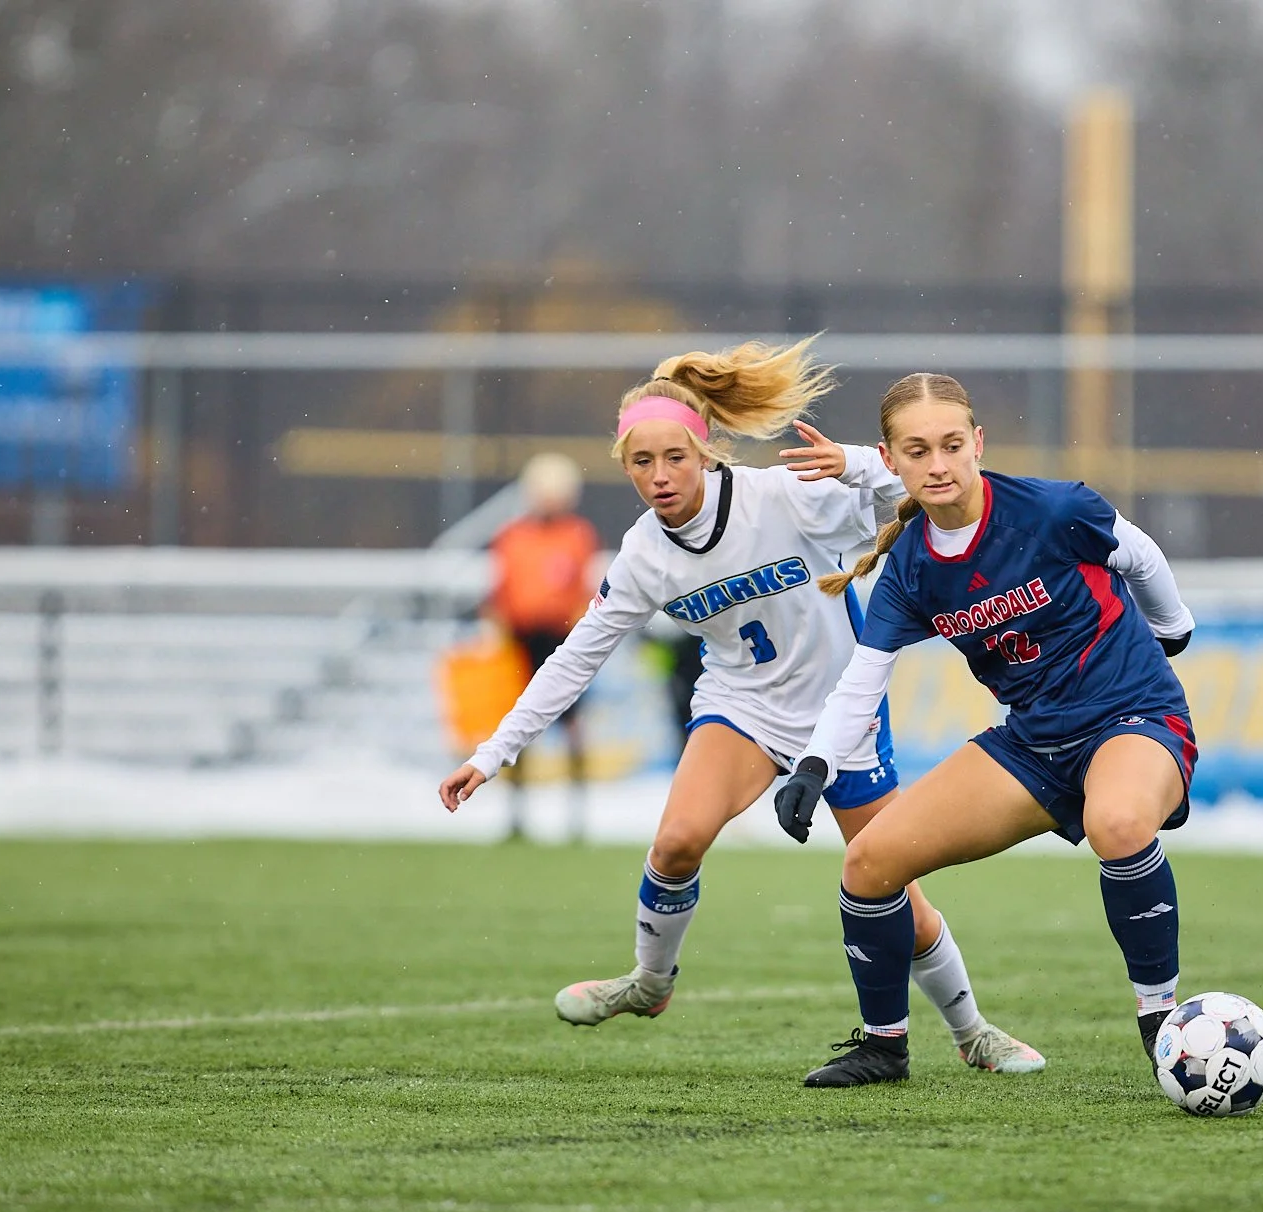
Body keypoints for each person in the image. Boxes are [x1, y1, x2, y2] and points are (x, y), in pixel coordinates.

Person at [439, 341, 1045, 1075]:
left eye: (676, 457)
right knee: (675, 843)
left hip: (840, 715)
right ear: (624, 466)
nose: (661, 476)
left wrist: (858, 462)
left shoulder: (783, 498)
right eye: (642, 462)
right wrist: (492, 753)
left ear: (705, 453)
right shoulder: (642, 556)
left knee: (893, 891)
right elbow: (576, 658)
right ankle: (649, 983)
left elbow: (916, 494)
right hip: (742, 708)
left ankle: (972, 1031)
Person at [774, 372, 1196, 1089]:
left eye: (950, 445)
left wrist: (1172, 629)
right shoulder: (910, 568)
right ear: (890, 460)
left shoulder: (1053, 509)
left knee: (1118, 823)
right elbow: (862, 679)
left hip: (1133, 716)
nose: (937, 464)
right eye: (917, 451)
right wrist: (814, 765)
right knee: (869, 863)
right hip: (1032, 744)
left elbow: (1141, 556)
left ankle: (1161, 1018)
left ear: (977, 443)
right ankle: (884, 1047)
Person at [485, 453, 601, 839]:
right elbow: (502, 591)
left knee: (573, 728)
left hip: (562, 642)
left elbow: (582, 591)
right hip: (521, 641)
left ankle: (577, 817)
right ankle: (516, 815)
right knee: (519, 725)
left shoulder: (577, 535)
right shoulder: (512, 536)